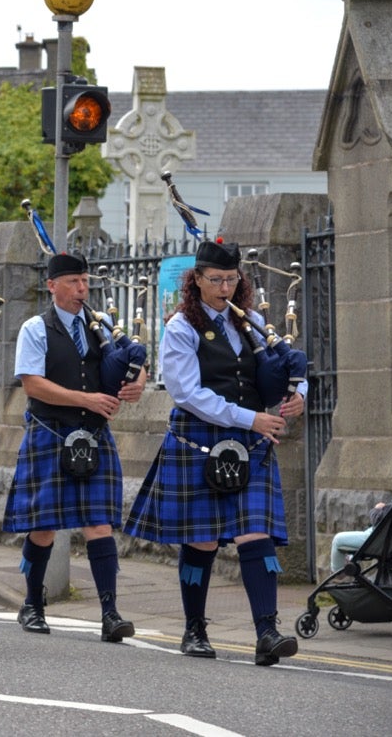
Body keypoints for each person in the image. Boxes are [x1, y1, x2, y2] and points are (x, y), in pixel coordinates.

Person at [125, 240, 306, 666]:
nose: (224, 287)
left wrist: (297, 394)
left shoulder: (254, 321)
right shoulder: (181, 327)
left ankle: (267, 632)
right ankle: (194, 629)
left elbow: (283, 364)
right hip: (200, 438)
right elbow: (187, 392)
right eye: (215, 280)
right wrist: (251, 419)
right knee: (201, 538)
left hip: (251, 443)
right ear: (197, 280)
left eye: (231, 279)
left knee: (254, 532)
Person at [3, 253, 146, 642]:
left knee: (99, 524)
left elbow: (130, 362)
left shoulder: (101, 326)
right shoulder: (36, 328)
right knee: (44, 526)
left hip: (94, 435)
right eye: (73, 282)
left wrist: (137, 383)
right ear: (52, 286)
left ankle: (110, 613)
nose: (82, 289)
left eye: (84, 281)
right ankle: (32, 604)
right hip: (51, 433)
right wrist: (87, 400)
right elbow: (32, 384)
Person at [330, 502, 390, 574]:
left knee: (337, 539)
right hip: (385, 536)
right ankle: (351, 560)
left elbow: (377, 520)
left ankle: (338, 573)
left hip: (379, 538)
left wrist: (377, 509)